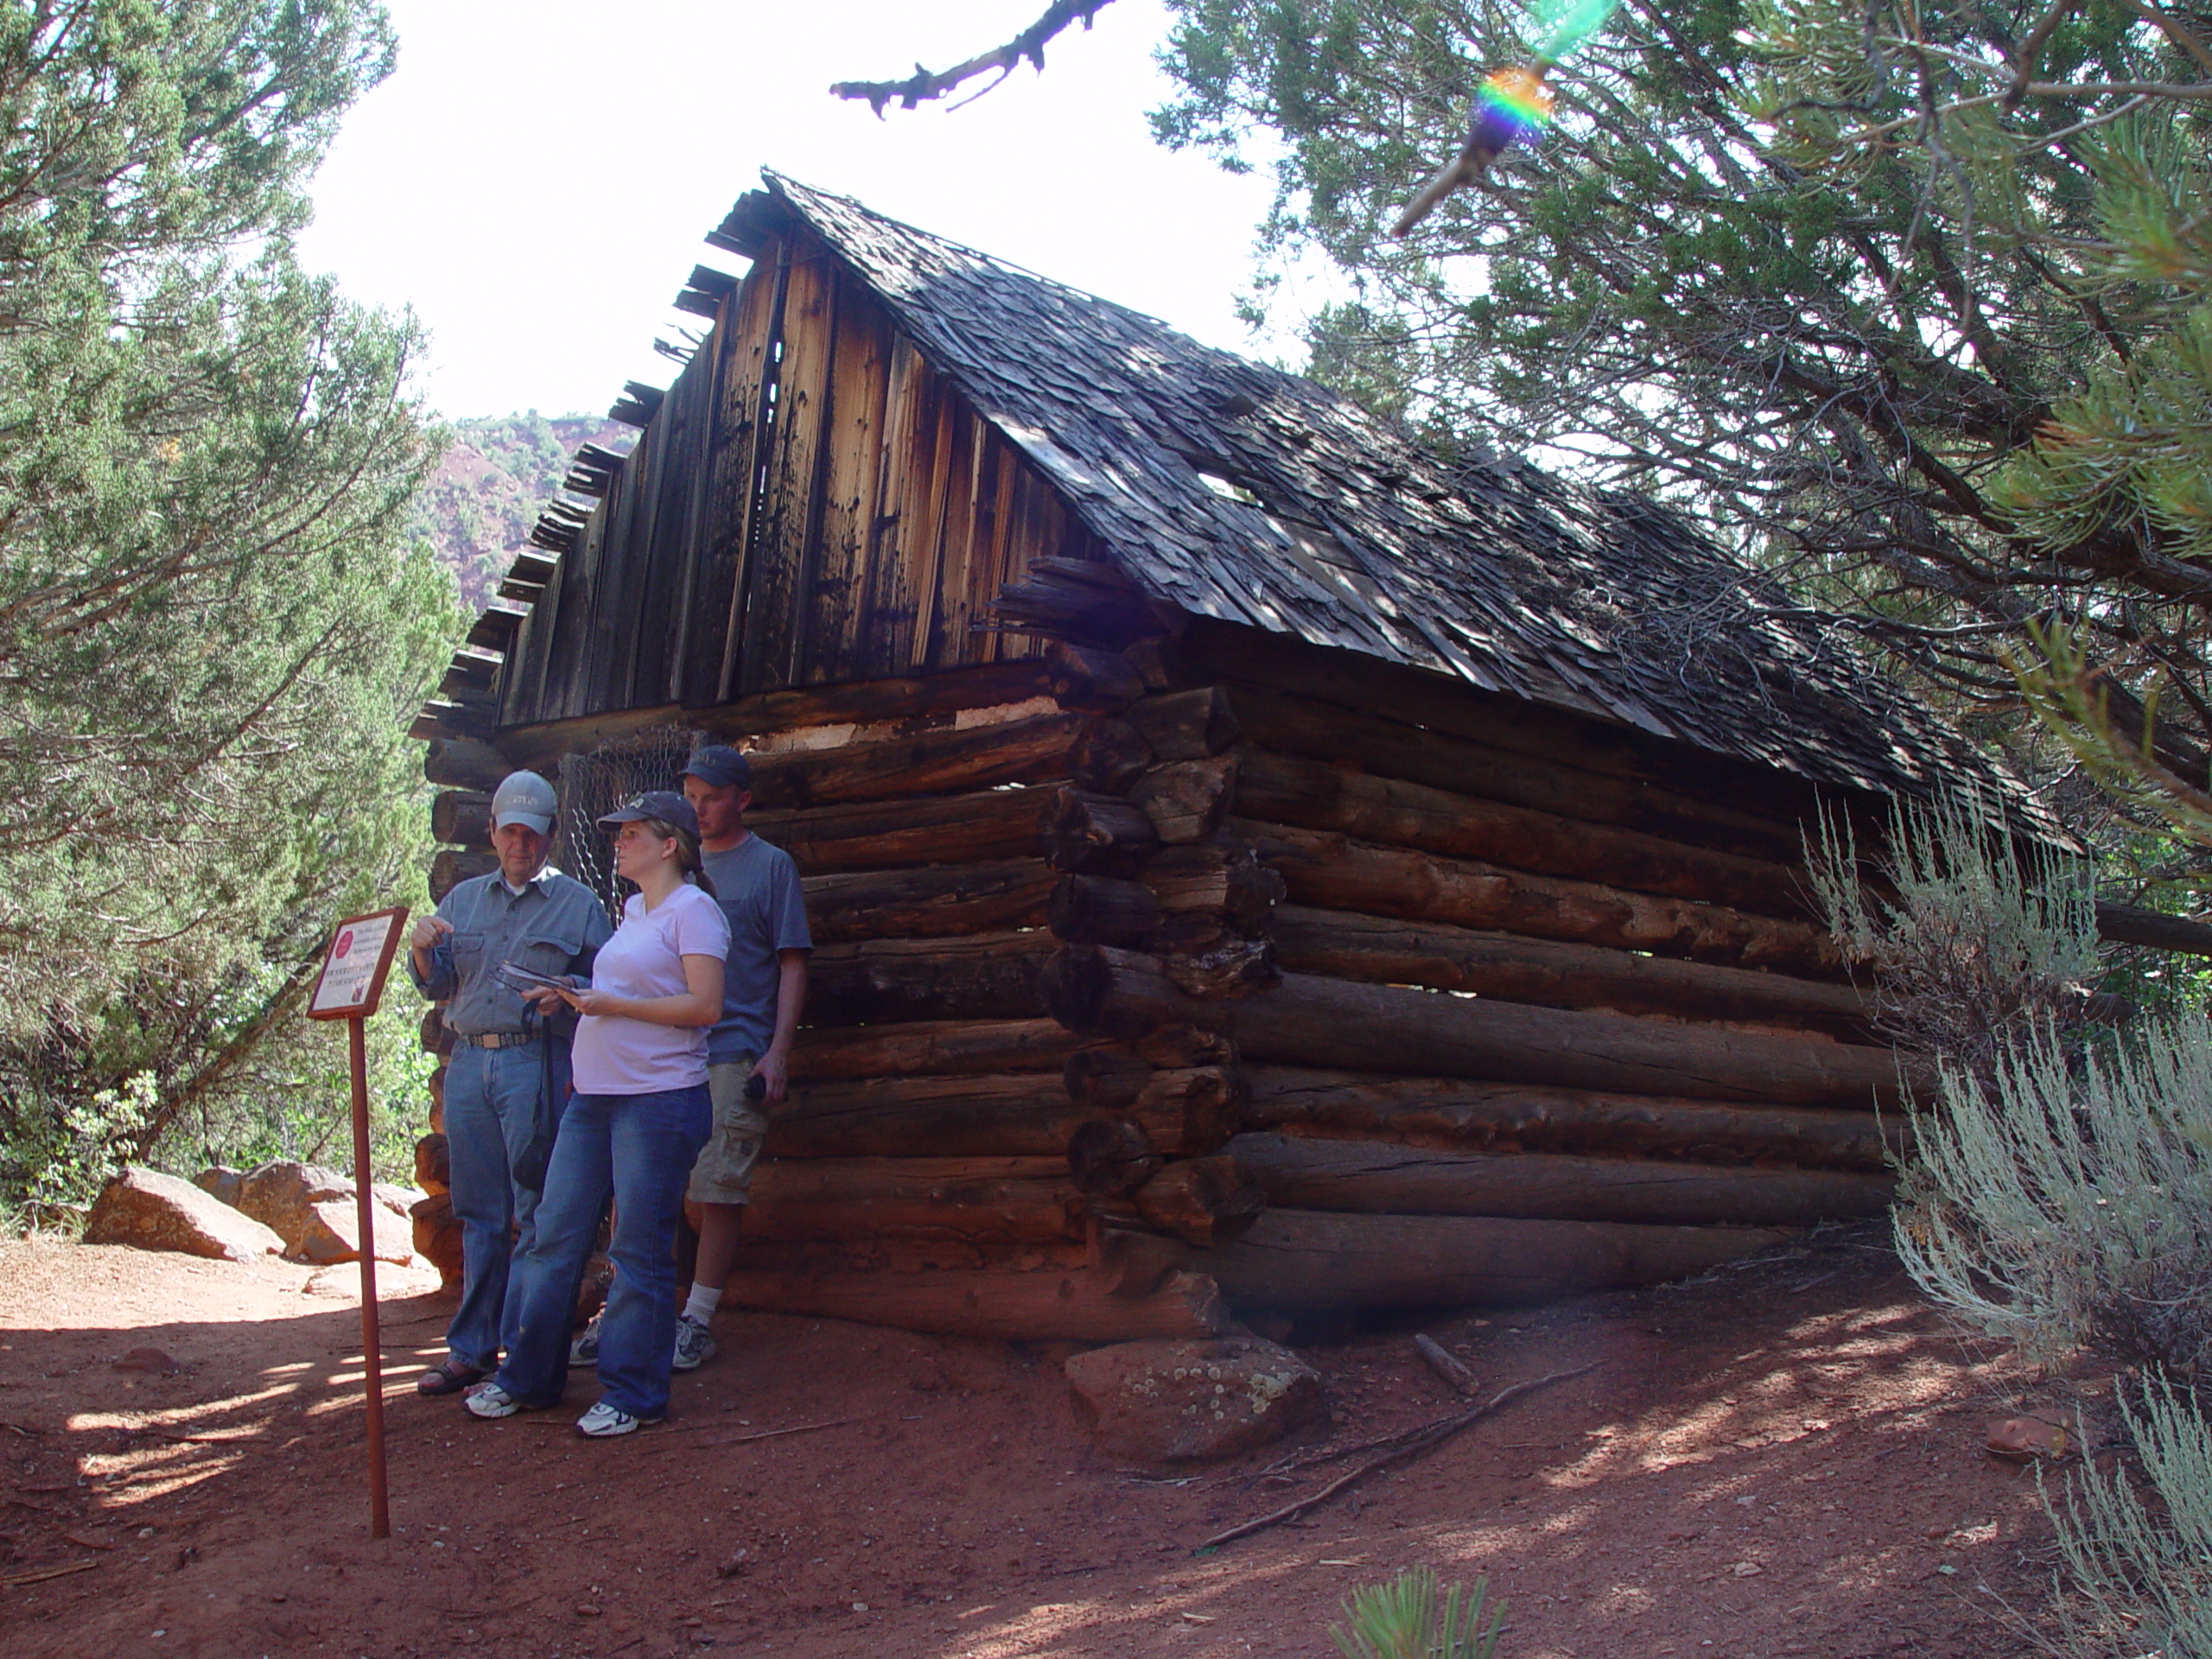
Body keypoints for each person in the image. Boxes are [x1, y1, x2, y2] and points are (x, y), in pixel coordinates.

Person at [464, 791, 729, 1437]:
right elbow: (630, 992)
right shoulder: (635, 909)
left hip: (659, 1100)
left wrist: (608, 1004)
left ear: (670, 845)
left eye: (631, 833)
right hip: (596, 1098)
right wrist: (576, 997)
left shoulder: (696, 912)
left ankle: (635, 1394)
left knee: (636, 1248)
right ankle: (528, 1379)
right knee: (555, 1234)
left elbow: (704, 1008)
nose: (618, 842)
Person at [571, 744, 811, 1374]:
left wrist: (778, 1050)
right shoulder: (660, 877)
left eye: (712, 798)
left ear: (742, 801)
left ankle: (697, 1318)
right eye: (693, 798)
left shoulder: (770, 867)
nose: (701, 809)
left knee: (715, 1189)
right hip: (657, 1055)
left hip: (733, 1048)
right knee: (640, 1187)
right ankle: (627, 1308)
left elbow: (791, 961)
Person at [406, 770, 611, 1398]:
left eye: (533, 832)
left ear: (550, 836)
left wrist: (568, 999)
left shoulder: (579, 905)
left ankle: (524, 1355)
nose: (520, 843)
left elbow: (607, 990)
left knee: (531, 1212)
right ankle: (472, 1352)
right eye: (510, 831)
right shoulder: (461, 902)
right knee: (479, 1213)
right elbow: (437, 986)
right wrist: (419, 951)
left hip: (537, 1063)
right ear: (492, 831)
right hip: (468, 1062)